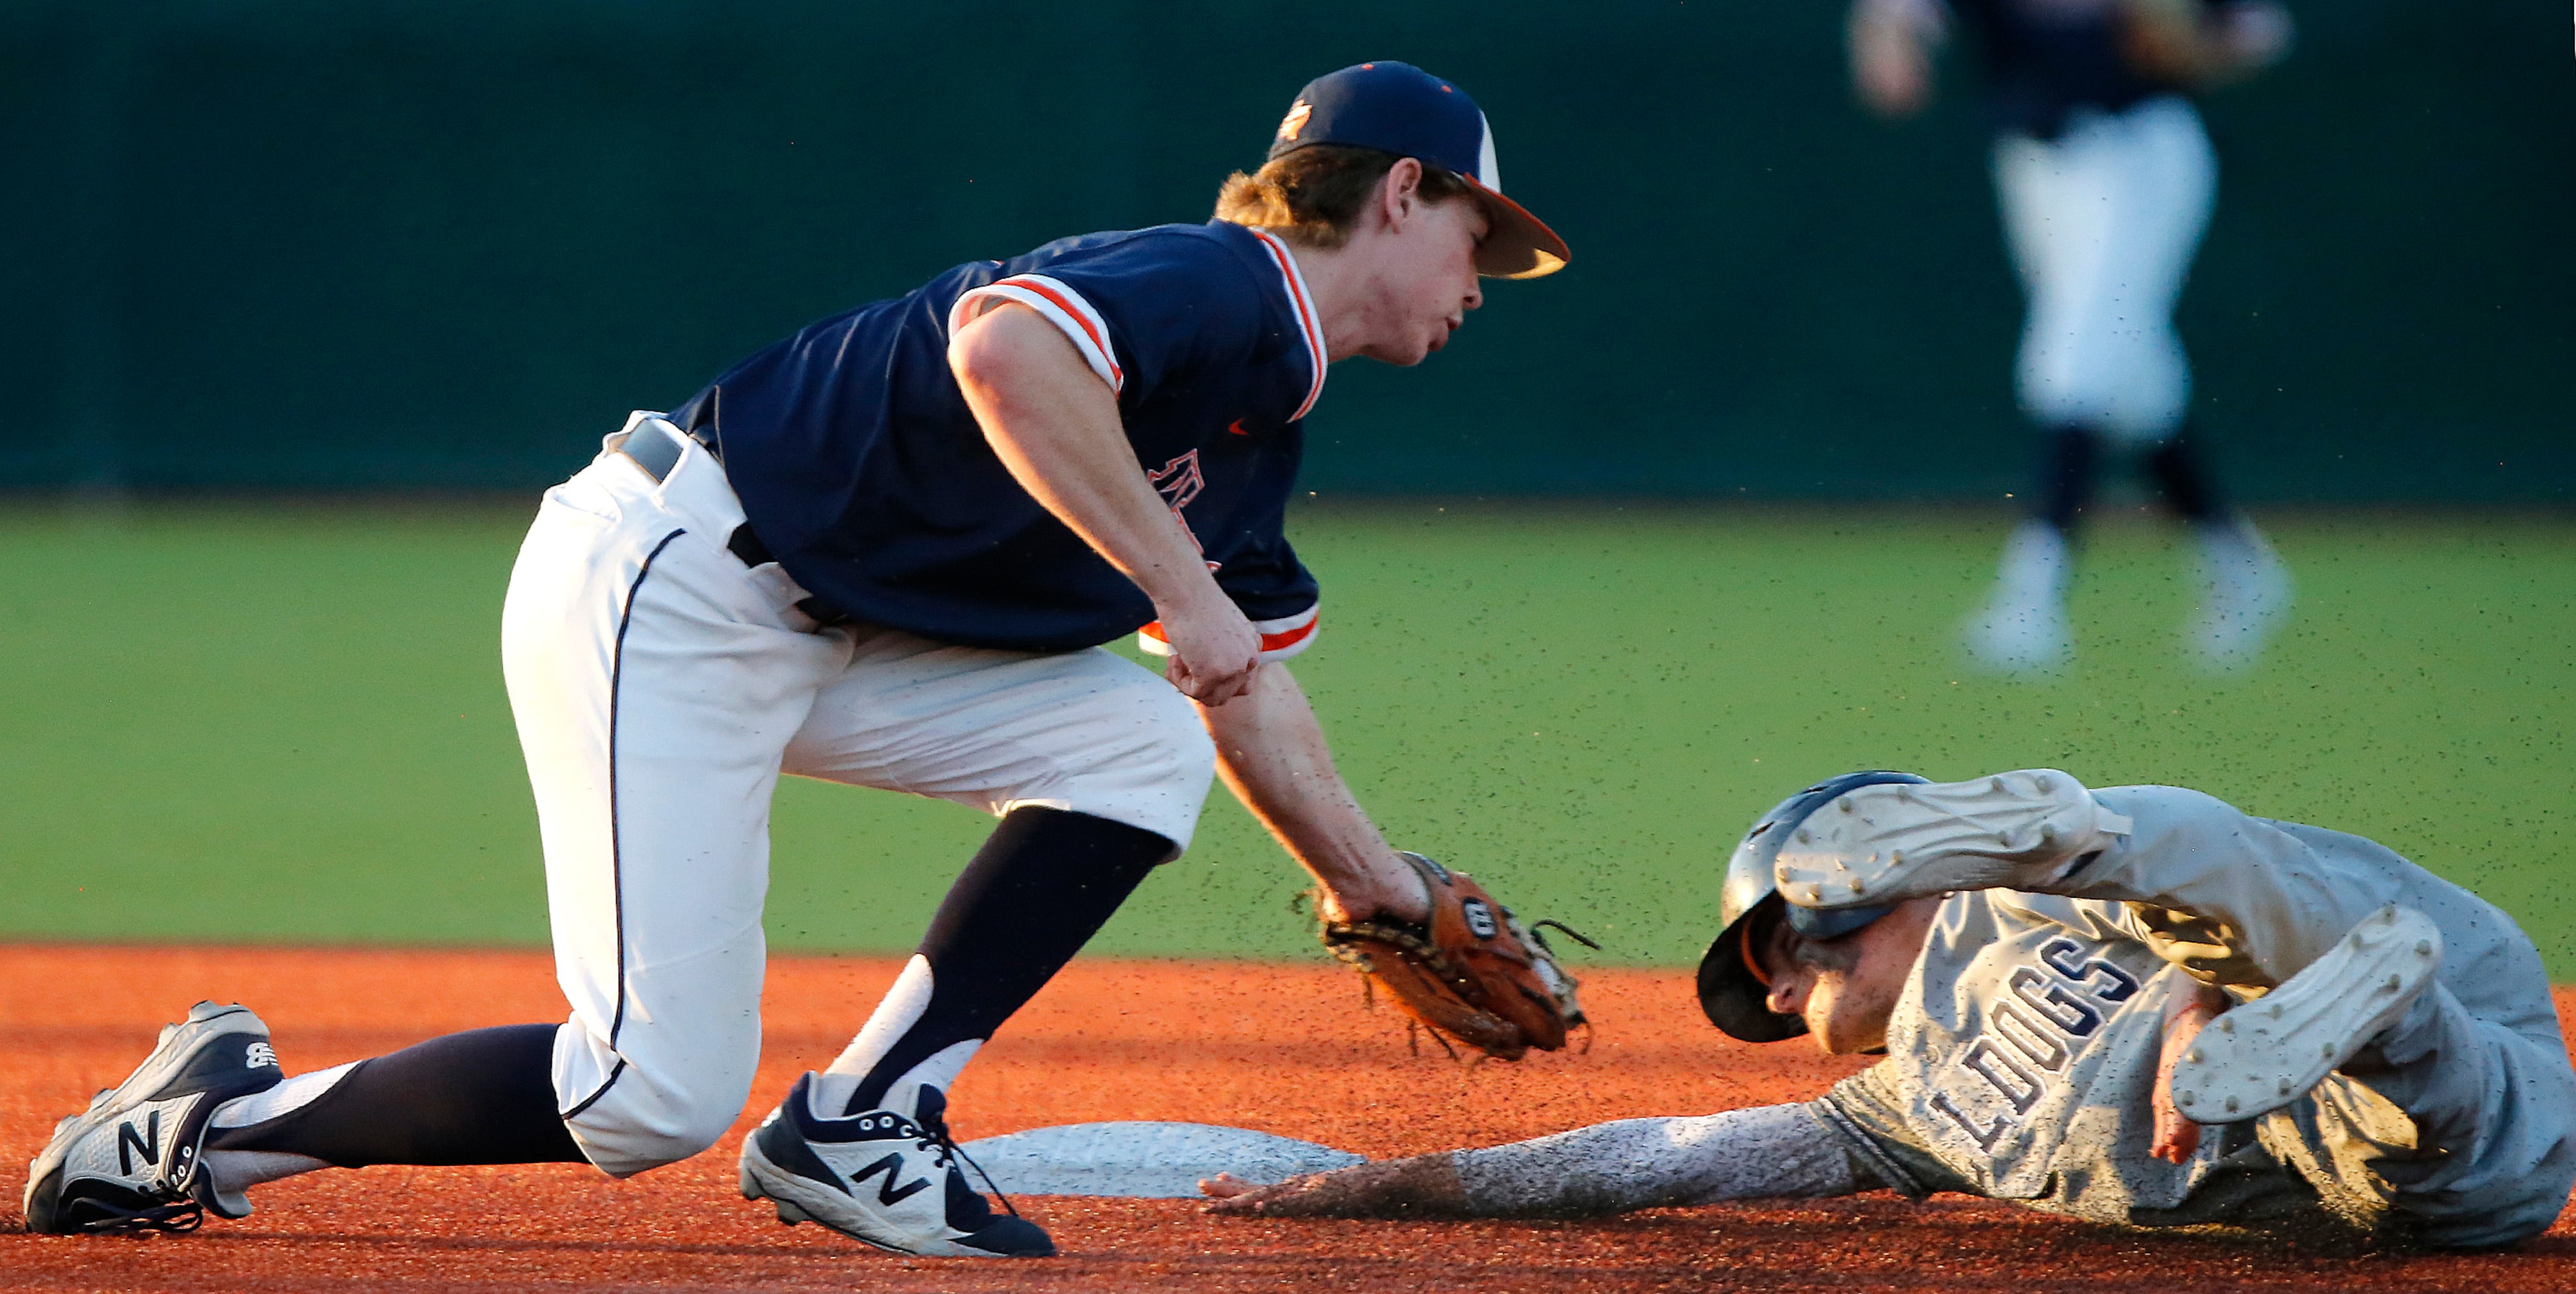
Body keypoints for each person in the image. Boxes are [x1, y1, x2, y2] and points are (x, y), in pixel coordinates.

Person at [23, 61, 1569, 1260]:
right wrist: (1188, 591)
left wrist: (1375, 886)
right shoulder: (1230, 281)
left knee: (1139, 744)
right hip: (674, 582)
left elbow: (1239, 689)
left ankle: (866, 1119)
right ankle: (208, 1130)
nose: (1482, 281)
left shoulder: (1252, 428)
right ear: (1397, 192)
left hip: (820, 627)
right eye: (1478, 237)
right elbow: (1002, 348)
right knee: (642, 1097)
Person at [1206, 769, 2576, 1251]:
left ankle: (2305, 980)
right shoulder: (1902, 1109)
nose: (1788, 984)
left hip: (2408, 957)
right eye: (1770, 993)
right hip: (2399, 1147)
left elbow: (2251, 876)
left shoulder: (2014, 903)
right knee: (2414, 1148)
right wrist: (1381, 1189)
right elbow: (1656, 1161)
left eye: (1793, 941)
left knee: (2206, 871)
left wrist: (2203, 1002)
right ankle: (2364, 1016)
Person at [1848, 0, 2298, 673]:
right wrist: (1887, 47)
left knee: (2070, 366)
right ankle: (2240, 568)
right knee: (2137, 388)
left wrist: (2207, 49)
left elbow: (2260, 30)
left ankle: (2030, 605)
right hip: (2034, 166)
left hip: (2138, 154)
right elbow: (1896, 13)